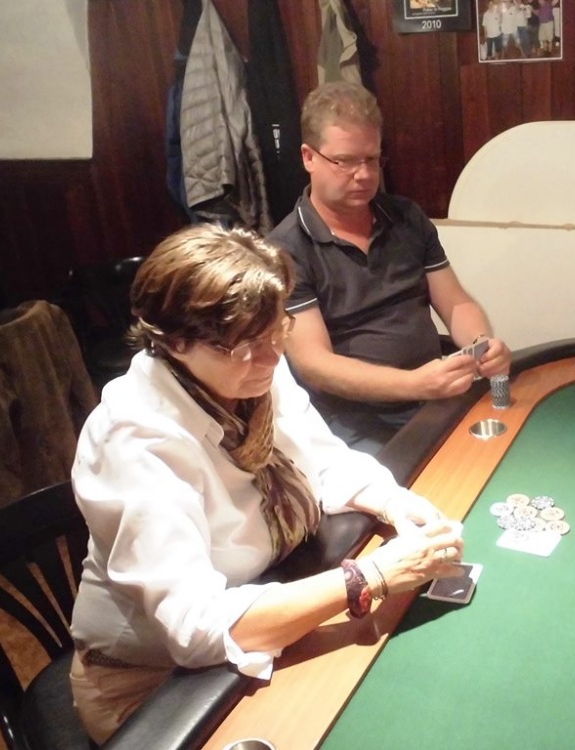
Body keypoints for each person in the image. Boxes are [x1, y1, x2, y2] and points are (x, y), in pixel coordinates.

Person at [68, 224, 465, 743]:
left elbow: (322, 462)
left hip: (264, 601)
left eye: (277, 333)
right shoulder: (135, 440)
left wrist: (394, 502)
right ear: (173, 341)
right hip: (156, 687)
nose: (273, 358)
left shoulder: (252, 369)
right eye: (246, 347)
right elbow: (196, 628)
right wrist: (370, 576)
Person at [268, 81, 510, 455]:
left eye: (371, 160)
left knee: (501, 448)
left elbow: (456, 303)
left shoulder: (407, 217)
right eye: (345, 161)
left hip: (433, 393)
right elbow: (314, 364)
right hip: (351, 419)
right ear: (308, 157)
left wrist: (481, 345)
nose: (364, 175)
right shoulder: (285, 249)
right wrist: (414, 384)